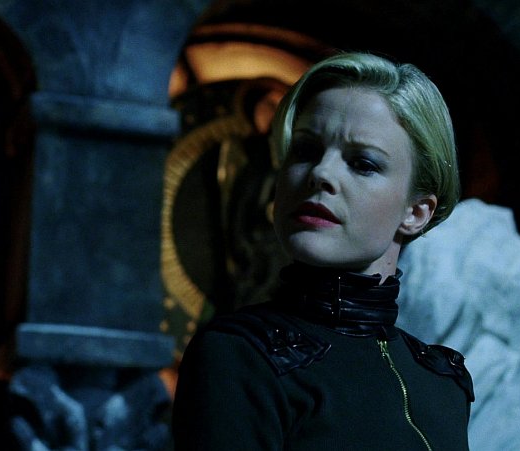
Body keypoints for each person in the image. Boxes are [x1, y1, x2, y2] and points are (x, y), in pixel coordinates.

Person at [172, 52, 474, 450]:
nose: (320, 173)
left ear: (416, 212)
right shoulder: (240, 355)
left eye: (362, 163)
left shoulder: (443, 379)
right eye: (305, 151)